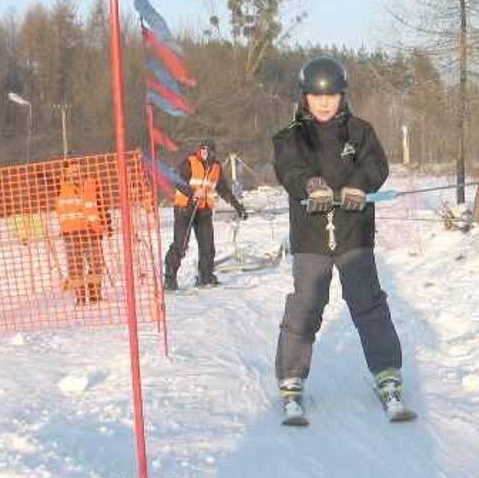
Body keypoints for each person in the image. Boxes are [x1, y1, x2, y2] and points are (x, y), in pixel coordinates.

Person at [271, 56, 407, 422]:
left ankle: (388, 374)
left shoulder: (361, 132)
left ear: (342, 96)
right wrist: (310, 185)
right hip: (311, 236)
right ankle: (292, 378)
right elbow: (289, 168)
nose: (324, 102)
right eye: (317, 96)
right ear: (305, 98)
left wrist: (359, 186)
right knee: (306, 305)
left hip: (353, 233)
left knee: (369, 304)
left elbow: (375, 165)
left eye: (331, 95)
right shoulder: (291, 136)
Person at [164, 139, 247, 290]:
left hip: (203, 210)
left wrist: (237, 206)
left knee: (208, 246)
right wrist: (193, 192)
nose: (204, 152)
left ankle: (206, 276)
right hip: (185, 208)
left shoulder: (216, 167)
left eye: (207, 150)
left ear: (212, 152)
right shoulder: (190, 161)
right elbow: (178, 181)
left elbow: (223, 189)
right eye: (202, 149)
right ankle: (170, 278)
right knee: (180, 245)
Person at [56, 160, 111, 305]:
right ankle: (80, 298)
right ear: (66, 175)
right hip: (71, 235)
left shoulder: (92, 185)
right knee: (75, 267)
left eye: (79, 172)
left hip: (91, 233)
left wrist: (107, 225)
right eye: (72, 173)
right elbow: (43, 179)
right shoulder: (59, 186)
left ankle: (94, 296)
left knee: (97, 264)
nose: (76, 176)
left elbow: (101, 206)